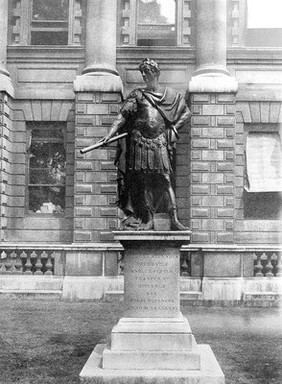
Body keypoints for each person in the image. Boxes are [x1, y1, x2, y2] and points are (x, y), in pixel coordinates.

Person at [99, 58, 191, 230]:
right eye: (142, 72)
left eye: (147, 71)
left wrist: (174, 130)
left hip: (159, 142)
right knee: (145, 182)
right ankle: (149, 220)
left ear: (156, 73)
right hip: (140, 143)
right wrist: (109, 135)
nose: (144, 75)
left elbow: (186, 113)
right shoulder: (137, 95)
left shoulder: (170, 95)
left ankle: (174, 219)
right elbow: (122, 117)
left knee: (165, 180)